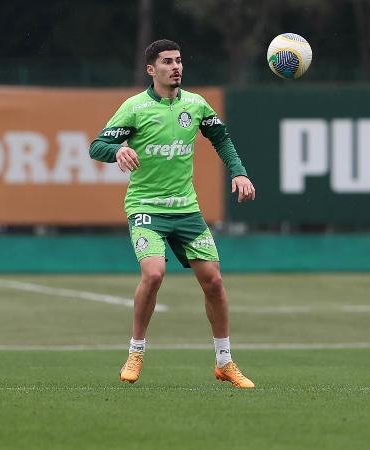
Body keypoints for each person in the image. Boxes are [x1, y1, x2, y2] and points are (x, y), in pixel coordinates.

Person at [89, 39, 256, 389]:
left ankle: (224, 361)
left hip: (186, 210)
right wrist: (118, 149)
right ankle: (136, 351)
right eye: (167, 62)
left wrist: (239, 171)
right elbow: (97, 145)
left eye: (179, 61)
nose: (176, 67)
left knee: (214, 282)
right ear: (152, 69)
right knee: (153, 274)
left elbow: (221, 139)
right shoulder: (134, 108)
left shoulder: (195, 105)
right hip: (145, 207)